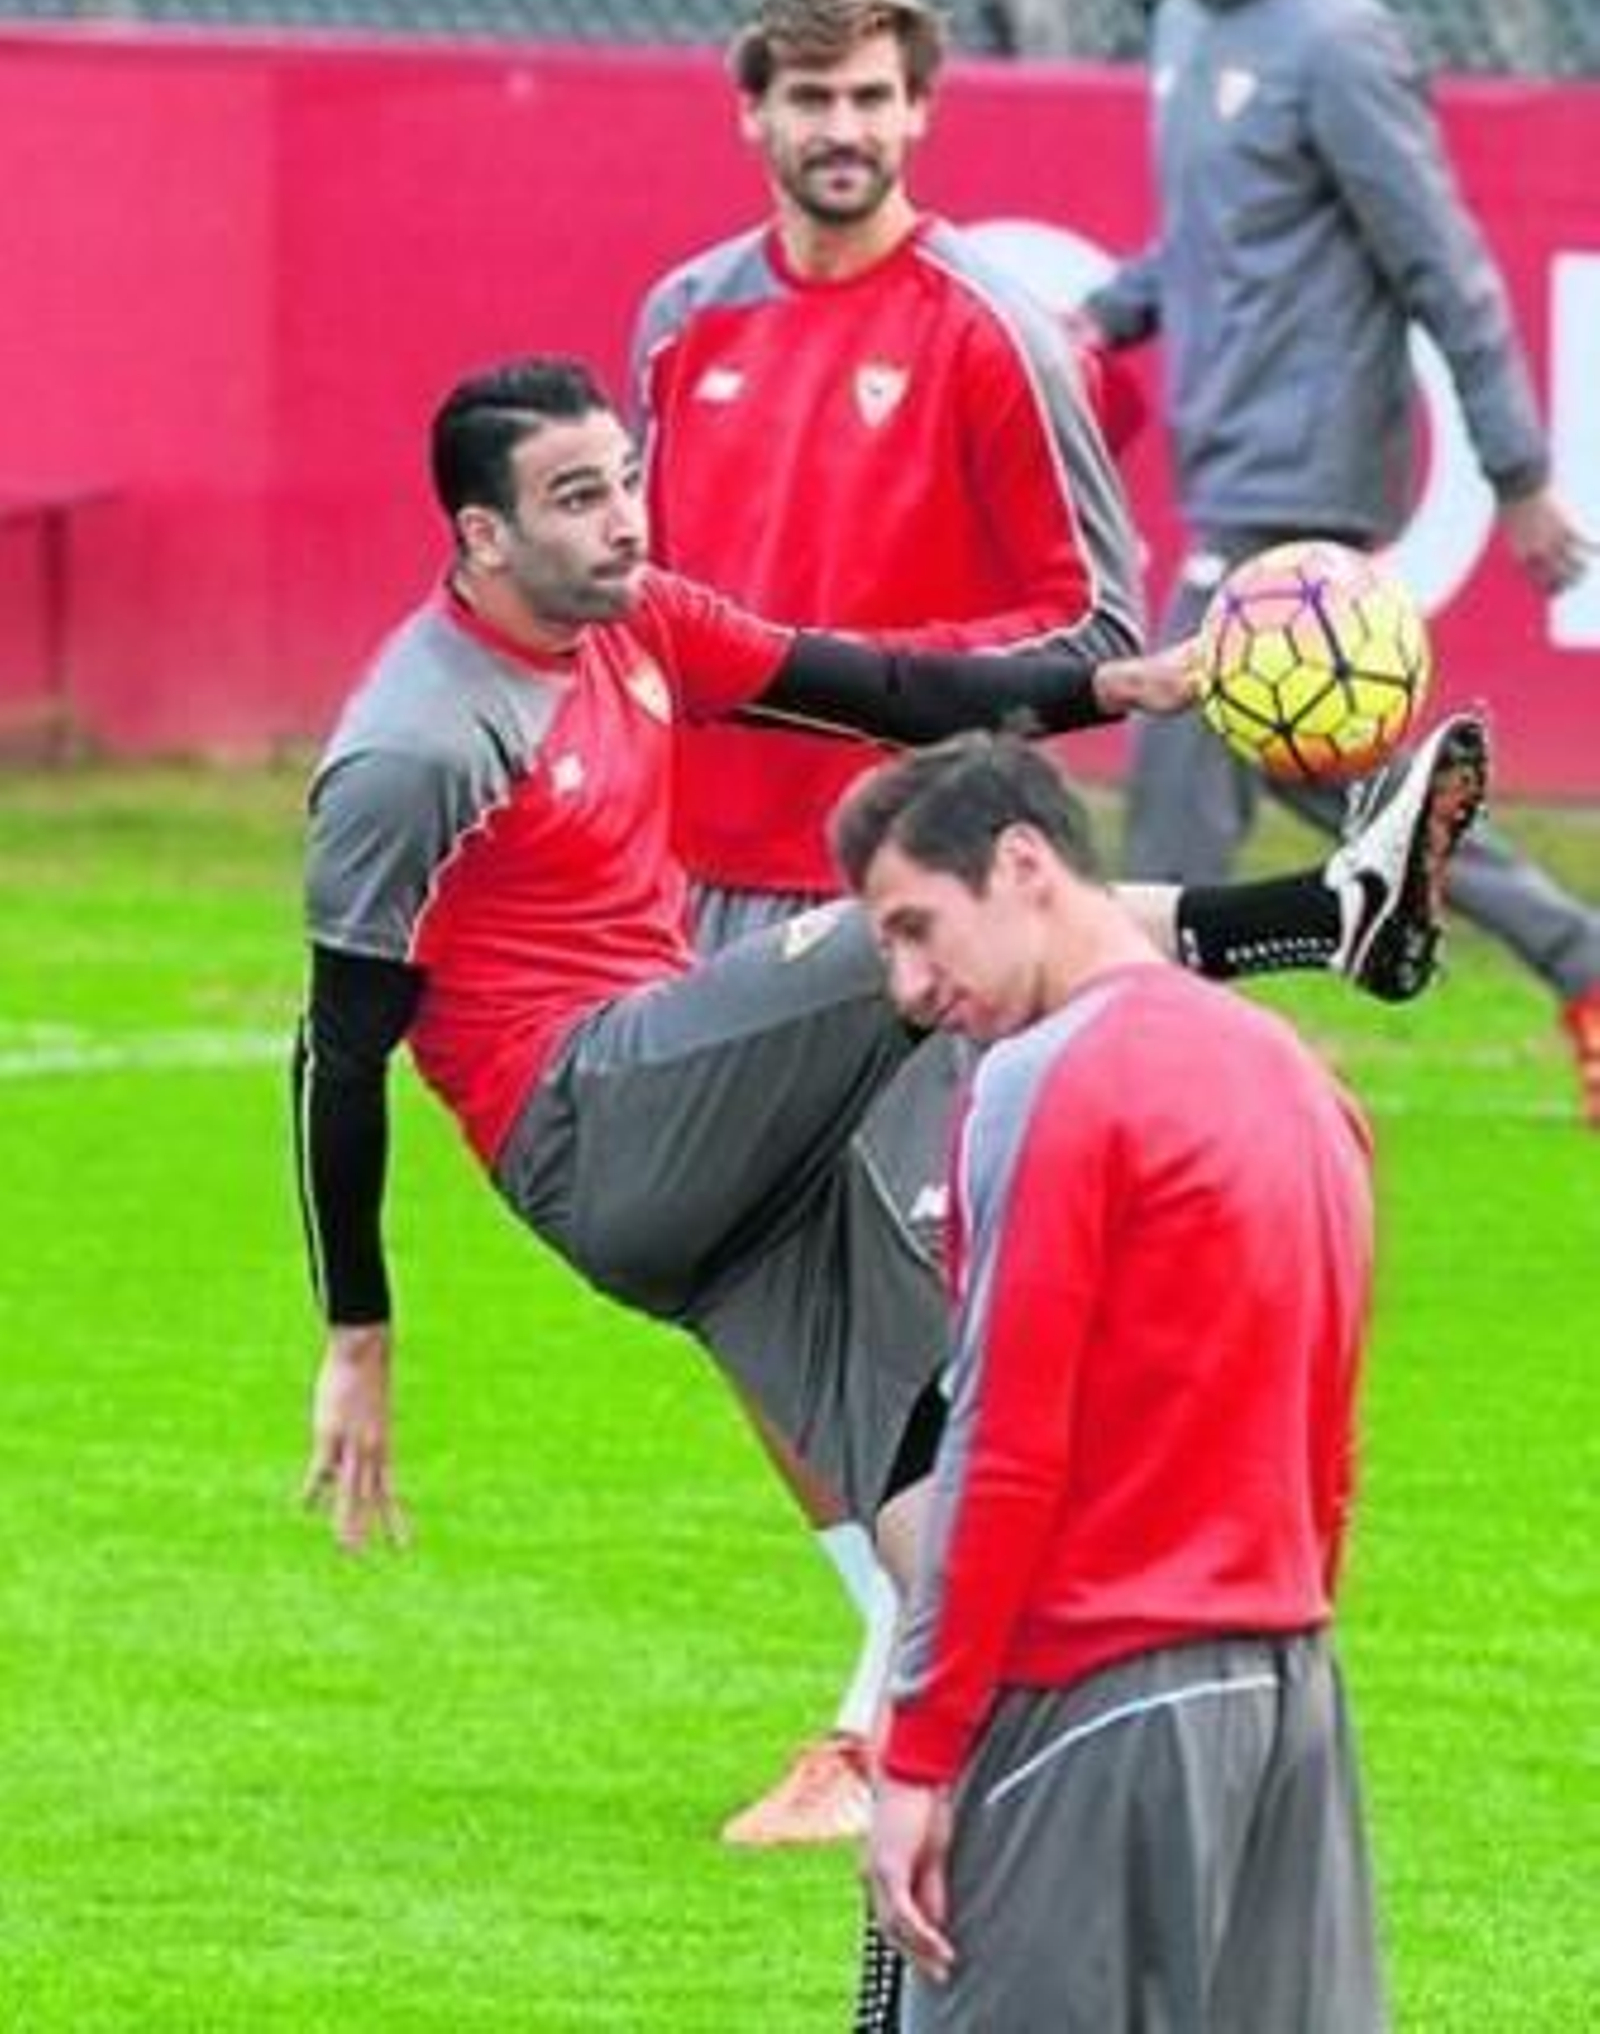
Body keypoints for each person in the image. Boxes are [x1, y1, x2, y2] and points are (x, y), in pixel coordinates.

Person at [295, 353, 1482, 1600]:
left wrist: (1107, 685)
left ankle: (992, 1739)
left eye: (628, 482)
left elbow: (880, 689)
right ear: (483, 533)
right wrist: (358, 1333)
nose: (626, 520)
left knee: (924, 1438)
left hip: (711, 1174)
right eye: (579, 497)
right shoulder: (415, 741)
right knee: (912, 920)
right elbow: (335, 1052)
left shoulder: (637, 618)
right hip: (592, 1118)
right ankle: (1327, 914)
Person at [631, 0, 1149, 1846]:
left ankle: (894, 1723)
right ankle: (927, 1665)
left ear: (920, 111)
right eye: (808, 99)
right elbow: (651, 609)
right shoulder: (684, 323)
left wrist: (855, 675)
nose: (841, 132)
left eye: (872, 99)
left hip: (922, 910)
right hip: (715, 890)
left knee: (932, 1312)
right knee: (743, 1302)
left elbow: (1097, 624)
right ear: (752, 111)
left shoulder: (997, 334)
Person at [844, 733, 1387, 2032]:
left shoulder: (1043, 1083)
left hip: (1090, 1706)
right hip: (1286, 1696)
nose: (914, 986)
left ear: (1023, 864)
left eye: (920, 928)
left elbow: (1007, 1447)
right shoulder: (1305, 1084)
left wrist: (918, 1756)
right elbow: (1333, 1451)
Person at [1079, 0, 1600, 1127]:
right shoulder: (1188, 23)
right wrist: (1106, 311)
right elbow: (1210, 241)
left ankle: (1147, 1071)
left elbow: (1446, 265)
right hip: (1229, 474)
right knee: (1339, 783)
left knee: (1179, 777)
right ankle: (1579, 956)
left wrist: (1521, 472)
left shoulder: (1339, 40)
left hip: (1298, 489)